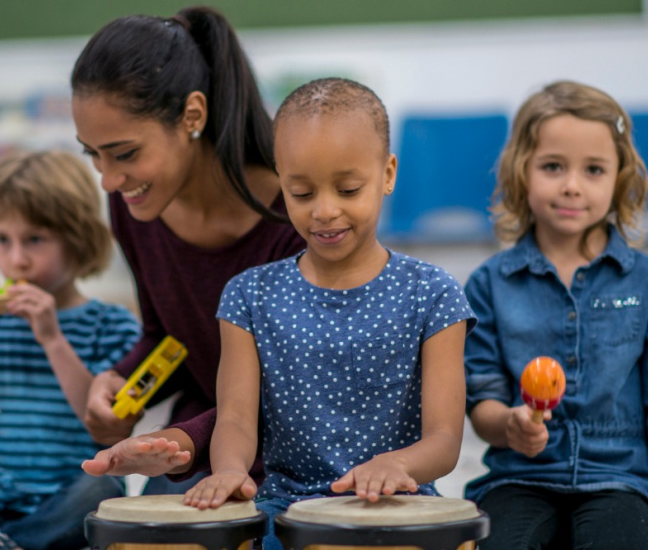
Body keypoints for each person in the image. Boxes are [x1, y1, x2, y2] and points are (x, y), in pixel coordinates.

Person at [181, 77, 475, 550]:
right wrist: (231, 471)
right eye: (301, 193)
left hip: (400, 506)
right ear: (281, 183)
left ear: (387, 174)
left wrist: (397, 465)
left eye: (348, 188)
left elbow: (444, 438)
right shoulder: (249, 297)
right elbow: (235, 418)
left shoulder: (433, 293)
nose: (324, 210)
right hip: (288, 510)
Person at [463, 80, 648, 548]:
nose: (572, 186)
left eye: (594, 169)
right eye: (553, 166)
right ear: (521, 171)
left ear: (620, 178)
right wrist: (509, 425)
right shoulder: (487, 285)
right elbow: (482, 402)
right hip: (518, 480)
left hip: (621, 480)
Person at [74, 5, 305, 491]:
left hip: (296, 455)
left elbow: (293, 392)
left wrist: (181, 440)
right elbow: (169, 338)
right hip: (195, 447)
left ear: (192, 115)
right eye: (92, 154)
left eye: (125, 153)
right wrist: (122, 380)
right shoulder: (136, 206)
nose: (109, 179)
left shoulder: (299, 219)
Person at [0, 150, 141, 550]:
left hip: (64, 503)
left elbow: (111, 424)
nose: (16, 260)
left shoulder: (111, 326)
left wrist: (53, 339)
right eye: (3, 240)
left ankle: (5, 545)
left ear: (77, 240)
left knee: (103, 490)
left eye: (35, 240)